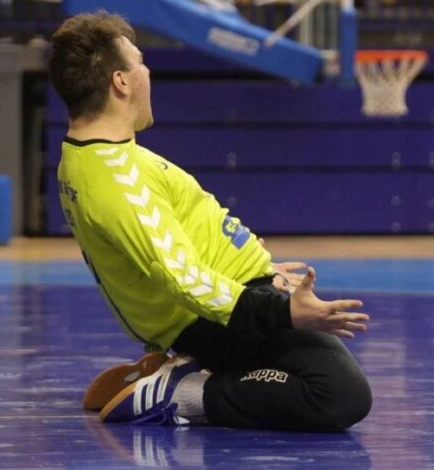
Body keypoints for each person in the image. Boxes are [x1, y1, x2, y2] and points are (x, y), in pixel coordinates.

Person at [48, 11, 372, 431]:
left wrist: (257, 268)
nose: (148, 72)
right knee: (339, 394)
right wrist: (281, 313)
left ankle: (182, 369)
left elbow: (168, 239)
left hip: (232, 294)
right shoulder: (117, 179)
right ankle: (180, 391)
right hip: (215, 315)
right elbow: (182, 278)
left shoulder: (92, 157)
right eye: (140, 62)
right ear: (121, 82)